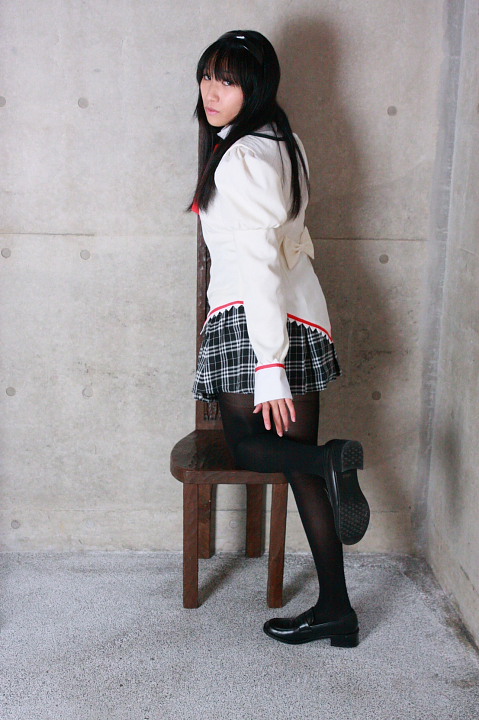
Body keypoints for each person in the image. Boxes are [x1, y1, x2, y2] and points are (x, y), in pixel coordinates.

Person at [190, 30, 370, 647]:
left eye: (228, 80)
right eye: (207, 76)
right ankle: (337, 611)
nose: (211, 91)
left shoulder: (241, 158)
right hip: (302, 317)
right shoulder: (283, 143)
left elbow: (260, 263)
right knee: (299, 469)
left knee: (250, 447)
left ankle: (328, 460)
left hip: (253, 320)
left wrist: (269, 367)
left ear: (256, 86)